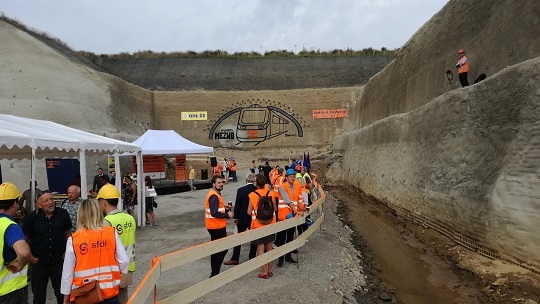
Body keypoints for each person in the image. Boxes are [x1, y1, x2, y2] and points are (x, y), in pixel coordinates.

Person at [61, 199, 128, 304]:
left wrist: (66, 296)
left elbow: (67, 272)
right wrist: (118, 275)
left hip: (83, 294)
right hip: (109, 293)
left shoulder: (74, 240)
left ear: (80, 215)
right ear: (98, 212)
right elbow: (124, 261)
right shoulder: (110, 233)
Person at [23, 190, 72, 304]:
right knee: (39, 297)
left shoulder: (63, 213)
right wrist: (31, 258)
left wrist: (67, 253)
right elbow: (25, 239)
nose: (50, 202)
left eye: (51, 199)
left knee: (62, 295)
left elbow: (68, 234)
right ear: (39, 204)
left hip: (58, 262)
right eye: (46, 200)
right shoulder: (31, 217)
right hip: (39, 263)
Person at [97, 184, 136, 304]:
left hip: (113, 271)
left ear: (103, 202)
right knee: (124, 299)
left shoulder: (106, 222)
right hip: (129, 267)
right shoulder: (129, 218)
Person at [0, 182, 31, 303]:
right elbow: (24, 253)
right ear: (14, 203)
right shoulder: (10, 226)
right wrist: (20, 264)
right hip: (10, 291)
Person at [223, 173, 257, 266]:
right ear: (254, 181)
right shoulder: (257, 190)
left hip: (242, 218)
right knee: (254, 238)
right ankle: (252, 256)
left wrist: (235, 217)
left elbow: (238, 205)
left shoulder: (241, 190)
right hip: (253, 218)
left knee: (238, 238)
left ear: (246, 180)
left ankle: (235, 258)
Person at [247, 174, 277, 279]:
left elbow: (249, 211)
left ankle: (263, 272)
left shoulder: (252, 195)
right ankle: (270, 270)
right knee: (269, 247)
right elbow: (275, 209)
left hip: (258, 225)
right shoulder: (271, 193)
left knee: (260, 249)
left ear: (256, 183)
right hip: (270, 224)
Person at [205, 175, 233, 277]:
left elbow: (215, 210)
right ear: (213, 184)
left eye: (222, 182)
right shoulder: (214, 196)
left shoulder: (215, 194)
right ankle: (215, 273)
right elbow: (214, 213)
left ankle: (214, 272)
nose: (221, 184)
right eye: (219, 182)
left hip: (214, 226)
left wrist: (224, 209)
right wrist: (227, 214)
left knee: (215, 249)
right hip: (216, 226)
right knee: (223, 248)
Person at [275, 168, 303, 267]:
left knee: (290, 236)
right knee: (282, 238)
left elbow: (298, 200)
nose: (292, 178)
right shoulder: (282, 187)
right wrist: (295, 210)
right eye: (290, 177)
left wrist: (302, 209)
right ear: (286, 177)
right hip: (284, 216)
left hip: (292, 216)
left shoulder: (296, 186)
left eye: (293, 177)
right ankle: (280, 258)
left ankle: (288, 255)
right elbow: (287, 200)